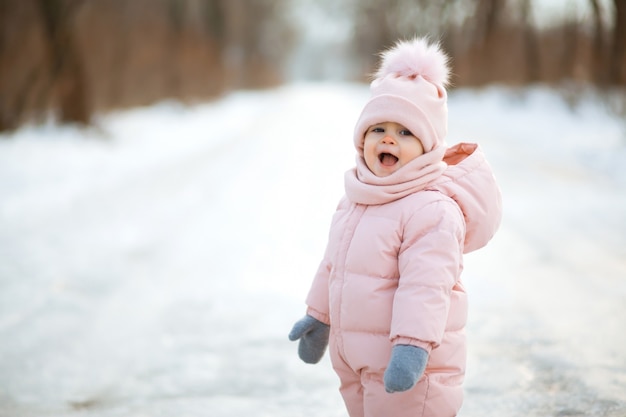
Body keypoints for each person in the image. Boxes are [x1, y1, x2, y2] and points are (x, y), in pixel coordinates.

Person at [288, 37, 502, 417]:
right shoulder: (356, 198)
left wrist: (413, 346)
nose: (389, 138)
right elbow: (333, 266)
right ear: (361, 140)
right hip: (357, 361)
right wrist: (318, 316)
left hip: (411, 367)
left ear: (428, 147)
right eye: (377, 129)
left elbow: (427, 286)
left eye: (405, 132)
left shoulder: (432, 209)